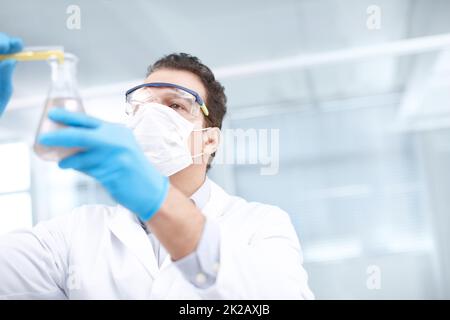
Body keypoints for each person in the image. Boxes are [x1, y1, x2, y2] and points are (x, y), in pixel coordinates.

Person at [0, 33, 314, 299]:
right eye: (142, 105)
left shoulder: (260, 225)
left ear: (209, 141)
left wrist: (158, 201)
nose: (150, 117)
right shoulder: (74, 233)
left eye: (175, 105)